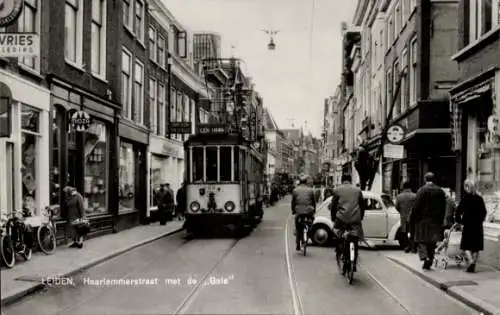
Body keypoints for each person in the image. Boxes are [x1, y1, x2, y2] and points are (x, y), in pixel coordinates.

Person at [410, 172, 446, 270]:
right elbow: (443, 208)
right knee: (432, 241)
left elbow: (416, 207)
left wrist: (413, 218)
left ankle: (425, 257)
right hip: (435, 221)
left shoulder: (421, 191)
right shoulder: (440, 191)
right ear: (434, 180)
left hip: (422, 221)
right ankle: (430, 258)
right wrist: (441, 220)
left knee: (421, 241)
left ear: (425, 179)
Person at [329, 174, 365, 272]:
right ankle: (354, 263)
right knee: (356, 237)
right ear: (350, 180)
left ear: (342, 180)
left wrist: (333, 217)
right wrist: (360, 217)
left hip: (341, 219)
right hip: (355, 220)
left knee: (337, 232)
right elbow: (362, 205)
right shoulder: (358, 190)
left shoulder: (337, 190)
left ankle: (340, 251)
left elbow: (333, 206)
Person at [455, 179, 487, 273]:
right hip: (478, 225)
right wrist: (480, 220)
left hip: (468, 225)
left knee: (466, 246)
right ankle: (473, 264)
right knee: (476, 247)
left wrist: (459, 221)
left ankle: (471, 262)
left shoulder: (465, 198)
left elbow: (458, 211)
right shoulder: (479, 198)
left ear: (466, 187)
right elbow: (484, 212)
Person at [291, 175, 316, 251]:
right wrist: (314, 210)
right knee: (311, 222)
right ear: (306, 182)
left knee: (298, 227)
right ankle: (310, 236)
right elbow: (313, 202)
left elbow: (293, 202)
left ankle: (298, 244)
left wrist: (293, 211)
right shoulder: (310, 190)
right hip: (309, 211)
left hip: (298, 211)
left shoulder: (295, 190)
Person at [395, 181, 417, 253]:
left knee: (404, 233)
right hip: (413, 217)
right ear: (410, 187)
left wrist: (401, 212)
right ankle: (413, 247)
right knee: (412, 232)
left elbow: (396, 207)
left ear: (403, 187)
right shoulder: (415, 196)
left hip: (403, 217)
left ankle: (407, 246)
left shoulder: (399, 196)